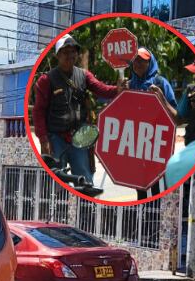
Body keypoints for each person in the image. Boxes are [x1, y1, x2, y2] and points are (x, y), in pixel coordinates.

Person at [32, 33, 126, 185]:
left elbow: (101, 89)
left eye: (73, 51)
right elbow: (38, 111)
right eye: (65, 52)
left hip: (79, 136)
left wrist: (117, 89)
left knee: (85, 179)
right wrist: (44, 140)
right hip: (55, 137)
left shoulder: (83, 75)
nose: (70, 55)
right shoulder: (47, 80)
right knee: (56, 182)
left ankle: (85, 207)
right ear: (57, 55)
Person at [128, 47, 179, 200]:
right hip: (136, 145)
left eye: (142, 61)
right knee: (140, 187)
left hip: (156, 144)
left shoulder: (160, 83)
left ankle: (155, 216)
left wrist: (161, 98)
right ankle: (142, 217)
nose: (138, 64)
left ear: (150, 63)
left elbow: (175, 115)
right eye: (135, 60)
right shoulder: (130, 85)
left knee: (158, 186)